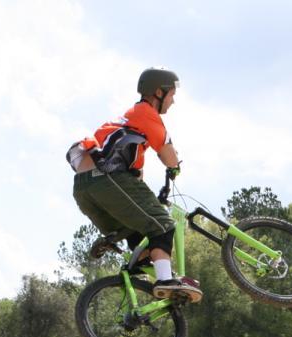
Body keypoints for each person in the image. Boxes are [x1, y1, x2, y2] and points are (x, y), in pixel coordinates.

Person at [67, 67, 202, 304]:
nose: (173, 101)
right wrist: (174, 168)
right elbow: (167, 151)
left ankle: (140, 265)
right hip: (105, 180)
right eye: (171, 95)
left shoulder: (125, 126)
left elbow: (135, 177)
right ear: (158, 92)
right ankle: (164, 279)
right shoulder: (144, 112)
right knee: (164, 225)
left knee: (139, 233)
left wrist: (150, 200)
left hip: (84, 188)